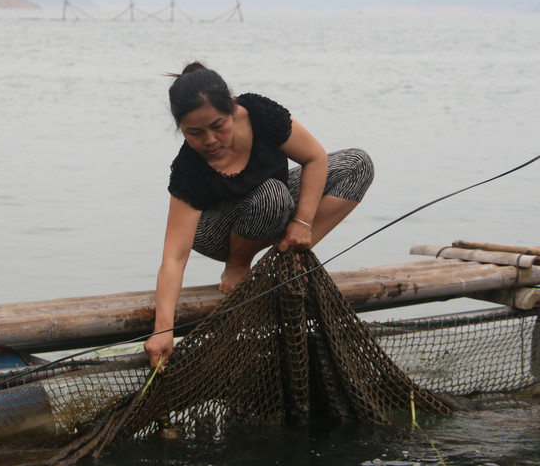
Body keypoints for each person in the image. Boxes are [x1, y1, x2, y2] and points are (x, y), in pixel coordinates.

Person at [143, 62, 374, 369]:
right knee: (272, 195)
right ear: (181, 128)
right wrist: (163, 329)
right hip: (216, 232)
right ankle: (238, 265)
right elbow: (174, 257)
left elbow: (314, 157)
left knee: (358, 164)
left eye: (218, 125)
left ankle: (289, 256)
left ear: (233, 108)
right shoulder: (188, 169)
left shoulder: (260, 114)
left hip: (272, 210)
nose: (209, 140)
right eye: (194, 133)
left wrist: (303, 222)